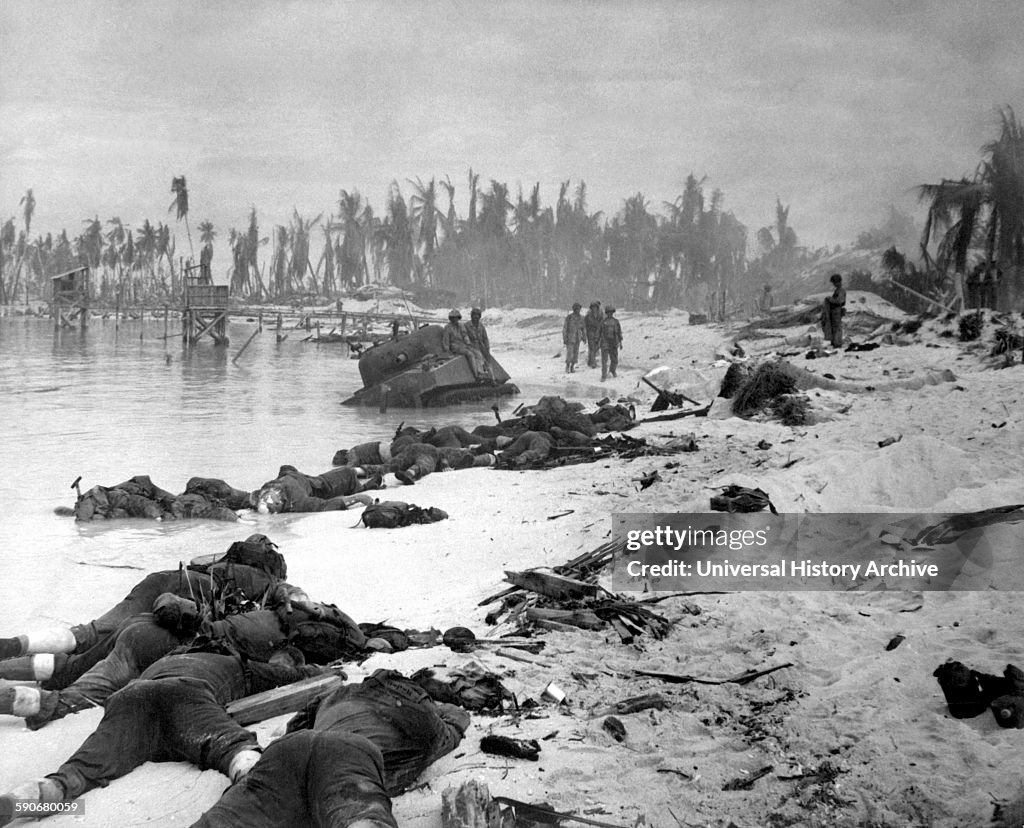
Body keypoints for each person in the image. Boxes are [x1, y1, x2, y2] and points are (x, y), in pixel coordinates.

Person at [0, 646, 319, 826]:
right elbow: (290, 677)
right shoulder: (238, 662)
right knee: (237, 754)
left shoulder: (165, 657)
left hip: (131, 697)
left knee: (75, 775)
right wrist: (315, 671)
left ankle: (17, 803)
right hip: (187, 698)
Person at [189, 669, 470, 828]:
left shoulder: (339, 693)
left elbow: (298, 724)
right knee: (359, 820)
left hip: (289, 753)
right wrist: (453, 715)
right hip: (350, 757)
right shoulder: (421, 714)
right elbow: (450, 731)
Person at [0, 535, 288, 679]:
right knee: (92, 660)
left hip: (161, 579)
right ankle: (7, 671)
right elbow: (291, 603)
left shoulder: (221, 562)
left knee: (88, 634)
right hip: (186, 595)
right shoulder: (268, 580)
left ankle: (13, 645)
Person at [251, 465, 382, 514]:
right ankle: (367, 482)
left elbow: (238, 497)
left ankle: (366, 473)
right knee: (347, 473)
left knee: (285, 467)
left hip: (292, 474)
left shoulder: (260, 494)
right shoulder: (298, 503)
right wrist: (356, 499)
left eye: (264, 498)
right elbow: (324, 505)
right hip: (317, 485)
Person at [440, 309, 491, 382]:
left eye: (456, 317)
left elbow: (464, 335)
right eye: (453, 318)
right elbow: (446, 340)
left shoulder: (461, 326)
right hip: (455, 346)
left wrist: (468, 342)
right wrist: (447, 350)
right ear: (451, 318)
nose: (455, 319)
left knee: (478, 353)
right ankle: (476, 375)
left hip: (463, 344)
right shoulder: (447, 327)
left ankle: (481, 372)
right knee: (470, 354)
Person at [820, 273, 846, 348]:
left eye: (835, 282)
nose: (834, 284)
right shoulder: (838, 290)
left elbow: (839, 301)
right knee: (833, 327)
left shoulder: (841, 291)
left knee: (837, 327)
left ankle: (837, 342)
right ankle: (834, 342)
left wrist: (830, 299)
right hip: (834, 311)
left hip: (837, 311)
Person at [598, 306, 623, 381]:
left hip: (614, 343)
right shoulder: (603, 322)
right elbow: (599, 332)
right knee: (604, 361)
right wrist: (597, 342)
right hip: (605, 343)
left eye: (611, 312)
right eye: (608, 312)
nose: (610, 314)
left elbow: (619, 332)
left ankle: (612, 370)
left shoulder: (616, 322)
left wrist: (620, 342)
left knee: (614, 360)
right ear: (606, 313)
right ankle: (604, 375)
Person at [562, 303, 587, 373]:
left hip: (577, 338)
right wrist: (564, 338)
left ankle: (572, 367)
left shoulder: (582, 318)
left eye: (578, 309)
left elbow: (583, 328)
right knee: (569, 353)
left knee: (575, 354)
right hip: (570, 338)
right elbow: (565, 328)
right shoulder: (569, 317)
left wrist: (584, 337)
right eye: (576, 309)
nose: (577, 310)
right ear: (573, 309)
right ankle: (567, 366)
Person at [584, 301, 602, 368]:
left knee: (597, 347)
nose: (594, 309)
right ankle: (593, 363)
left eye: (596, 307)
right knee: (592, 347)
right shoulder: (588, 316)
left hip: (598, 332)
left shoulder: (600, 314)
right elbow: (585, 324)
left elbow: (602, 323)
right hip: (590, 332)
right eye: (593, 307)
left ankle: (590, 360)